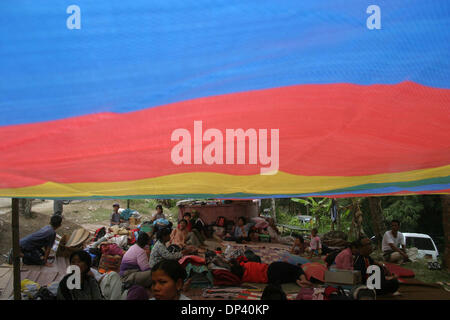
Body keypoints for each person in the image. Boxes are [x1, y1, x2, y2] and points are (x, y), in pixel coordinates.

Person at [229, 260, 313, 287]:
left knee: (289, 276)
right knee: (296, 268)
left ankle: (296, 280)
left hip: (271, 280)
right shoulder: (246, 264)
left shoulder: (243, 279)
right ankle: (303, 279)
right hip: (271, 268)